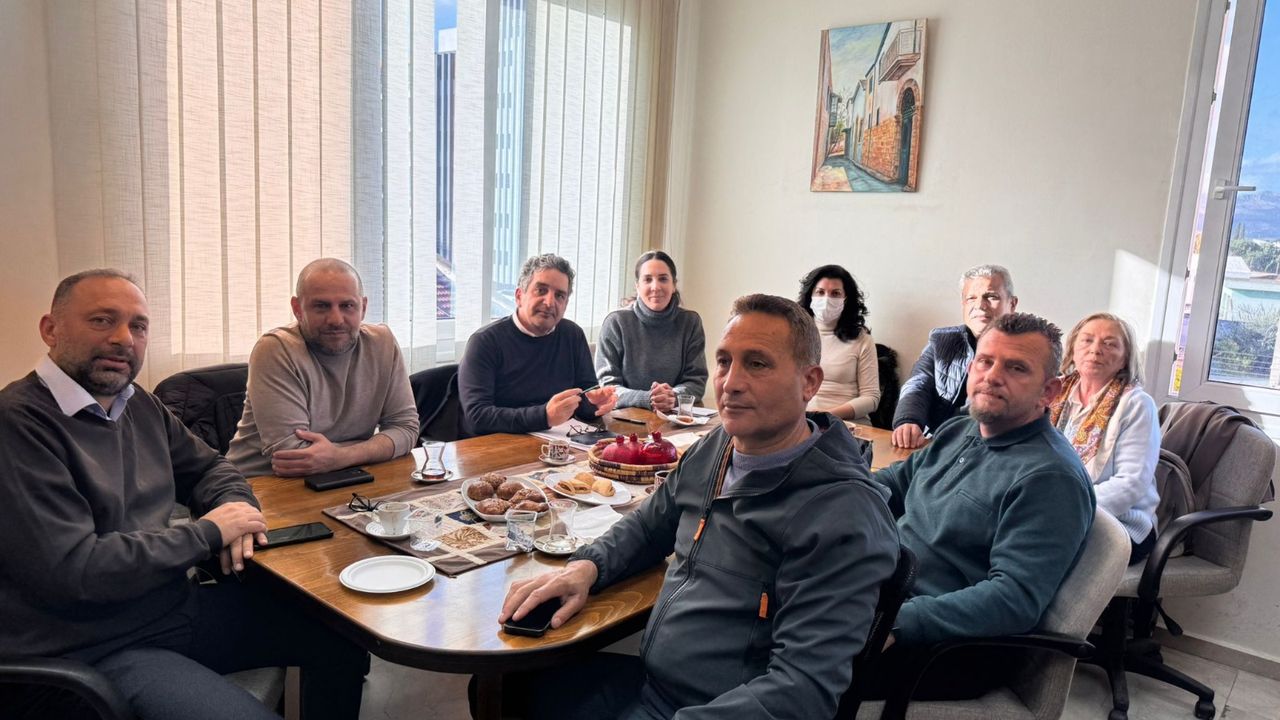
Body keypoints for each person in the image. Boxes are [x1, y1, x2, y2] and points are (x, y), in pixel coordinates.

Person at [495, 294, 899, 719]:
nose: (730, 382)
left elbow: (801, 692)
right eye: (724, 362)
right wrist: (586, 568)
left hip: (710, 708)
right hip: (652, 685)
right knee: (509, 687)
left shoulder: (842, 513)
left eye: (757, 363)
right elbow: (648, 525)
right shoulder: (718, 445)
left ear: (809, 383)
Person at [0, 269, 367, 720]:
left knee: (342, 635)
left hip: (171, 609)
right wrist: (209, 533)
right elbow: (76, 571)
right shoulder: (18, 424)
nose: (123, 339)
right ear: (50, 329)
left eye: (138, 326)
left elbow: (211, 467)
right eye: (101, 320)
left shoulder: (136, 403)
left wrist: (236, 510)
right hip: (94, 645)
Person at [867, 312, 1095, 700]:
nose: (992, 376)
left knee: (784, 661)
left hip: (941, 646)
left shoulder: (1050, 478)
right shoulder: (961, 428)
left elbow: (1014, 598)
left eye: (1016, 368)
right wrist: (832, 497)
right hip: (883, 590)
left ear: (1050, 391)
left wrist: (897, 623)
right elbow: (894, 485)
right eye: (985, 361)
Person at [227, 258, 419, 477]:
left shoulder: (382, 343)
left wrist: (341, 457)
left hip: (344, 476)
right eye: (321, 306)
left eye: (347, 306)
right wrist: (377, 447)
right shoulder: (276, 349)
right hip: (260, 484)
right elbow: (294, 454)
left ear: (363, 308)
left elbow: (407, 429)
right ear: (297, 309)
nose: (336, 319)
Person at [458, 253, 618, 436]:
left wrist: (594, 404)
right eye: (541, 290)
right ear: (519, 296)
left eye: (559, 296)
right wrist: (544, 416)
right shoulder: (485, 342)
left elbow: (584, 396)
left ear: (565, 304)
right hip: (499, 445)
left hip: (559, 442)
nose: (549, 302)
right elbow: (477, 416)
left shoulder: (572, 335)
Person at [1050, 312, 1160, 565]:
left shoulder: (1136, 404)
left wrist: (1064, 510)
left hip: (1118, 523)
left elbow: (1130, 483)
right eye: (1087, 340)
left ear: (1125, 359)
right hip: (1050, 509)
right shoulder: (1053, 392)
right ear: (1073, 349)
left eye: (1110, 344)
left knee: (1030, 548)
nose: (1095, 350)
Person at [892, 264, 1019, 448]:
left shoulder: (1024, 350)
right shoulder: (942, 340)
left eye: (991, 296)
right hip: (934, 443)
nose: (980, 306)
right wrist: (908, 420)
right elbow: (918, 383)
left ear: (1012, 303)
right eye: (971, 298)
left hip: (989, 448)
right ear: (963, 304)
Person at [594, 250, 708, 412]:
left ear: (674, 285)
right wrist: (646, 398)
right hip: (626, 417)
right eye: (647, 279)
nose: (655, 287)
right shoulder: (616, 322)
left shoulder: (690, 322)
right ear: (637, 286)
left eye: (663, 279)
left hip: (674, 416)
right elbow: (608, 386)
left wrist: (673, 396)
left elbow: (697, 381)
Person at [797, 264, 880, 420]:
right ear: (810, 296)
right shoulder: (794, 335)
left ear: (846, 299)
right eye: (820, 292)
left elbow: (871, 398)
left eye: (835, 293)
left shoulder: (862, 340)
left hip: (847, 424)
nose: (826, 299)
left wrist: (826, 417)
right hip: (799, 422)